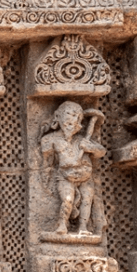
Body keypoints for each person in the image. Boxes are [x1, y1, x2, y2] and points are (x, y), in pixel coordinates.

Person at [39, 101, 105, 237]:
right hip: (65, 176)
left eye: (75, 121)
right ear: (58, 118)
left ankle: (83, 226)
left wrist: (91, 148)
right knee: (68, 199)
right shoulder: (50, 140)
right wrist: (46, 179)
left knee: (87, 200)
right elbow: (47, 163)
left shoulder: (82, 140)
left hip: (85, 176)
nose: (71, 125)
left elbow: (101, 151)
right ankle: (62, 224)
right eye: (68, 121)